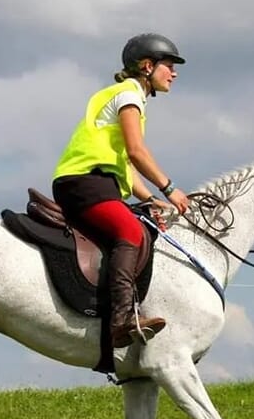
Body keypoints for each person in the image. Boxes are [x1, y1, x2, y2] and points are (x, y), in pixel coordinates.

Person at [52, 33, 191, 348]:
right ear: (146, 66)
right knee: (131, 231)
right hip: (84, 182)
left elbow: (124, 162)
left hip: (97, 183)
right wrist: (170, 189)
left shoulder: (131, 97)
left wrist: (148, 198)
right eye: (168, 65)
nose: (174, 72)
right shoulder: (128, 95)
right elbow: (137, 152)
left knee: (140, 227)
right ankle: (122, 320)